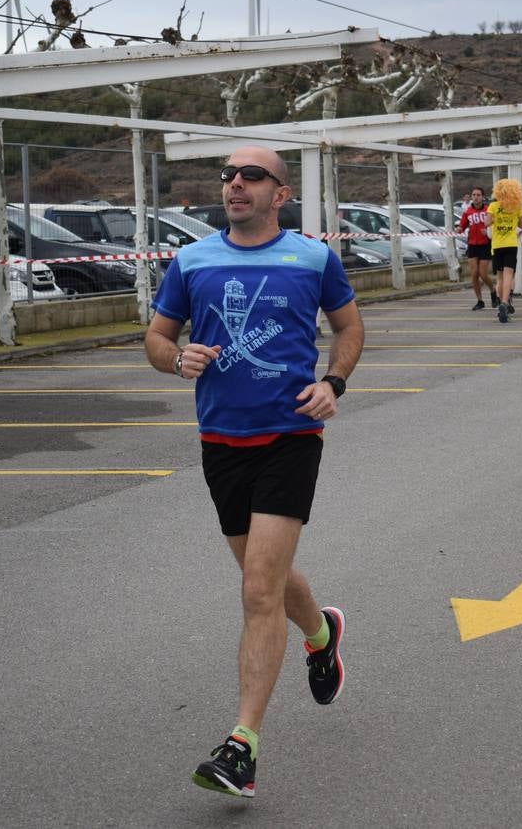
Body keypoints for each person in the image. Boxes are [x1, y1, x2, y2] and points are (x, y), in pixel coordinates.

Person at [145, 145, 365, 799]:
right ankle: (321, 633)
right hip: (221, 440)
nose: (235, 184)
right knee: (260, 576)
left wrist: (334, 382)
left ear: (281, 192)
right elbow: (158, 338)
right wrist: (176, 358)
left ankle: (241, 746)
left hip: (292, 435)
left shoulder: (313, 258)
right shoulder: (192, 260)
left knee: (258, 589)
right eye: (230, 176)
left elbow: (349, 329)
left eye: (252, 176)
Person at [487, 177, 522, 323]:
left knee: (500, 277)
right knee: (509, 274)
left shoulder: (493, 206)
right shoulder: (517, 207)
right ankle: (505, 302)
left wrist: (494, 220)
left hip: (497, 245)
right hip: (511, 244)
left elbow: (486, 223)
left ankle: (499, 303)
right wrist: (513, 227)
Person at [458, 186, 499, 310]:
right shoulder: (468, 211)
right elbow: (462, 226)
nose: (476, 197)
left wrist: (487, 231)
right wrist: (459, 229)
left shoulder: (488, 210)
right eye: (474, 195)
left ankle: (493, 291)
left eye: (478, 195)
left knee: (483, 274)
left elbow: (495, 225)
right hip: (472, 244)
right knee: (474, 274)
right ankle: (480, 301)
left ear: (482, 197)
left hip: (485, 244)